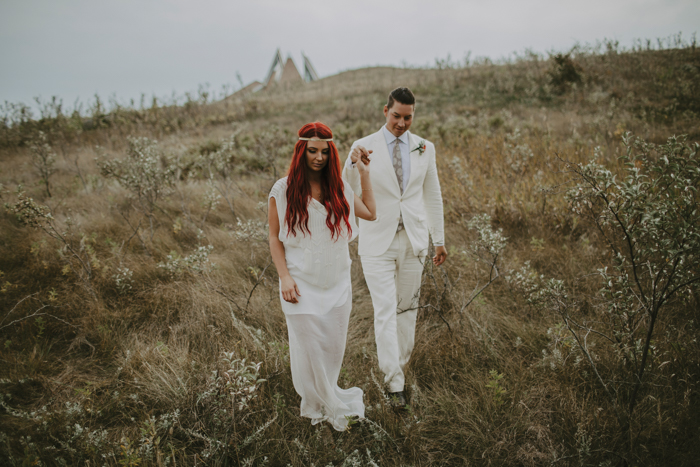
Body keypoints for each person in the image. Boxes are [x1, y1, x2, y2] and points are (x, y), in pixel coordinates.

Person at [268, 121, 376, 431]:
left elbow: (370, 212)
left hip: (337, 281)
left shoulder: (339, 187)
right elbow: (274, 237)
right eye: (312, 151)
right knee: (310, 350)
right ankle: (320, 408)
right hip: (299, 283)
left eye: (325, 152)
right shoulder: (283, 189)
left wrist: (364, 174)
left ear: (332, 153)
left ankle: (322, 402)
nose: (318, 157)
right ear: (301, 151)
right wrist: (284, 277)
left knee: (331, 350)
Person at [342, 87, 446, 407]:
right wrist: (352, 163)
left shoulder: (424, 148)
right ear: (384, 111)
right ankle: (394, 384)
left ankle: (399, 367)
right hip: (377, 241)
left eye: (408, 117)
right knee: (385, 310)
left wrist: (438, 239)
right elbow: (346, 187)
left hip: (414, 240)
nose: (402, 123)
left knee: (407, 310)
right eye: (396, 116)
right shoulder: (363, 146)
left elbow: (432, 194)